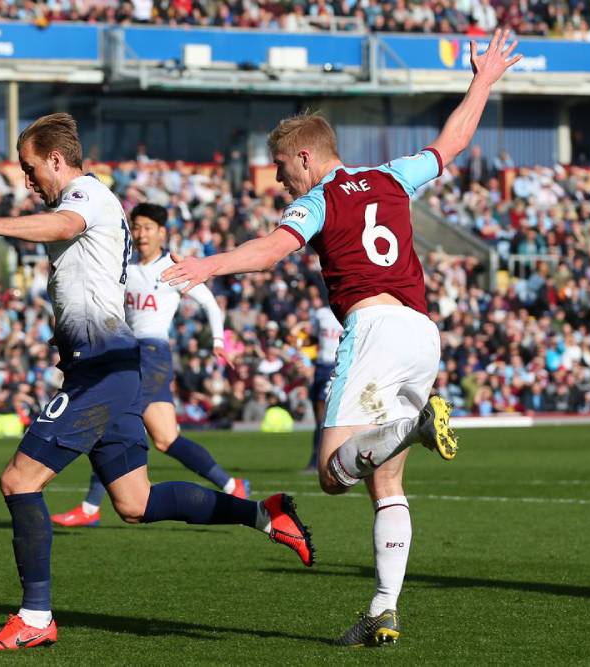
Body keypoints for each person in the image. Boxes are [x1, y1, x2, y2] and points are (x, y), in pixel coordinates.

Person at [163, 29, 521, 648]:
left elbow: (272, 250)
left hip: (375, 327)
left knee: (332, 473)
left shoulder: (322, 198)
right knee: (387, 481)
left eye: (280, 169)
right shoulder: (391, 177)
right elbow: (451, 143)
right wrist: (483, 81)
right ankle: (384, 609)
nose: (280, 182)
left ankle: (411, 428)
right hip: (421, 334)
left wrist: (205, 266)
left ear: (305, 156)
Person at [0, 113, 315, 651]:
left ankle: (35, 615)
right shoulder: (76, 202)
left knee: (19, 482)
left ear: (55, 159)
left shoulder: (87, 195)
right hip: (104, 366)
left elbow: (63, 227)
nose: (27, 181)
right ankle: (265, 513)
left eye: (30, 169)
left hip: (101, 369)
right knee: (135, 502)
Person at [50, 202, 250, 528]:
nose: (141, 234)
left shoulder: (169, 267)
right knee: (166, 438)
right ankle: (233, 486)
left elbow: (210, 303)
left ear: (161, 232)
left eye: (147, 227)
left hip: (152, 353)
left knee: (109, 417)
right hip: (126, 350)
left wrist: (217, 341)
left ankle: (90, 507)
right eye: (137, 227)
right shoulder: (123, 266)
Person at [304, 299, 342, 472]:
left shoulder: (347, 311)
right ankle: (317, 458)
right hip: (320, 366)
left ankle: (319, 461)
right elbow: (313, 338)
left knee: (323, 415)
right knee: (317, 414)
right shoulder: (320, 314)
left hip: (337, 365)